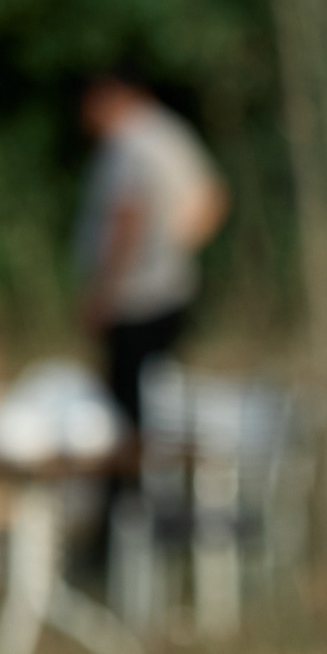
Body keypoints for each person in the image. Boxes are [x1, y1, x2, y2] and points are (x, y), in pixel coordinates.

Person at [72, 72, 228, 428]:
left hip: (134, 298)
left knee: (126, 404)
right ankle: (155, 479)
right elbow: (213, 199)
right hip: (170, 289)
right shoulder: (168, 133)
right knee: (158, 396)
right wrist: (174, 251)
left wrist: (105, 290)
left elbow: (128, 216)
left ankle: (129, 482)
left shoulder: (129, 142)